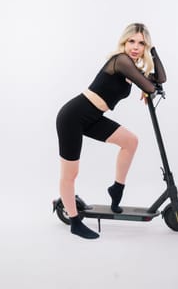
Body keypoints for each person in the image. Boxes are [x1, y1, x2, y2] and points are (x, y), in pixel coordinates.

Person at [56, 23, 166, 239]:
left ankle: (116, 189)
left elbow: (160, 79)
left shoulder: (133, 67)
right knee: (70, 174)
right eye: (131, 41)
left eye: (141, 43)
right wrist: (148, 86)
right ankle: (75, 223)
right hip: (72, 117)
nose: (135, 47)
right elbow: (151, 86)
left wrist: (153, 51)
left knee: (130, 141)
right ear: (124, 42)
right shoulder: (121, 61)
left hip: (93, 117)